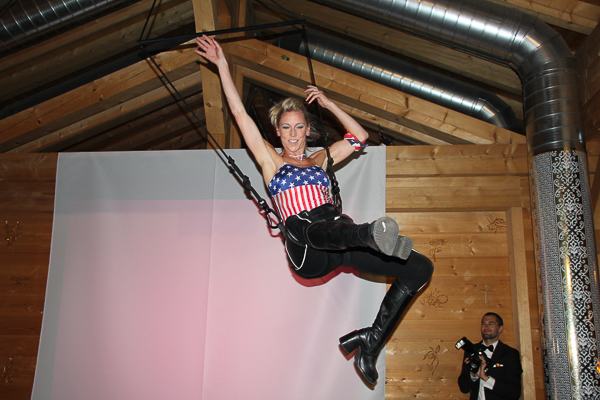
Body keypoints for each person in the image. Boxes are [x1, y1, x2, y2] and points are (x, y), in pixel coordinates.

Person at [195, 35, 434, 385]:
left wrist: (329, 103)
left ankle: (370, 341)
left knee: (420, 268)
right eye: (286, 128)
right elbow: (239, 114)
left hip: (341, 240)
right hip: (306, 247)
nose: (293, 135)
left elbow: (359, 137)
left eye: (299, 127)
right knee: (310, 225)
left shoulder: (321, 158)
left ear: (308, 130)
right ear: (277, 132)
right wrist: (222, 66)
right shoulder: (271, 161)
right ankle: (370, 235)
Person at [458, 313, 523, 400]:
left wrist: (487, 379)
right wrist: (473, 375)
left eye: (490, 324)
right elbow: (464, 388)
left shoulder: (510, 354)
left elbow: (515, 392)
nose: (486, 327)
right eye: (483, 324)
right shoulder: (471, 350)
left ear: (500, 328)